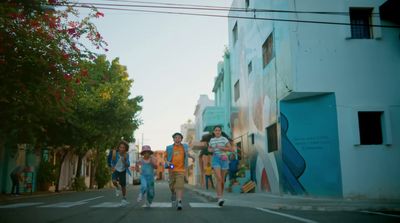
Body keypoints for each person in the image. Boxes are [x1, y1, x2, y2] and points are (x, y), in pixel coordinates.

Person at [165, 132, 194, 210]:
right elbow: (165, 157)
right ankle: (173, 192)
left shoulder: (184, 147)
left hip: (181, 169)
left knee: (180, 185)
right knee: (171, 184)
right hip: (171, 168)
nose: (177, 139)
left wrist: (192, 157)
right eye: (176, 138)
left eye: (179, 138)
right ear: (173, 139)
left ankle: (179, 201)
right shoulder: (169, 148)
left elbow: (187, 153)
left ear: (181, 139)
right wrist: (167, 162)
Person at [208, 126, 233, 206]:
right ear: (214, 132)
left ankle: (221, 196)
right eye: (216, 130)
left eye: (219, 130)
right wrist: (211, 150)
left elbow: (231, 149)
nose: (217, 131)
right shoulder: (212, 140)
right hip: (216, 159)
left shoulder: (224, 139)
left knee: (222, 180)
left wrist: (222, 147)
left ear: (221, 132)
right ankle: (219, 198)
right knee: (219, 178)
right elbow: (209, 149)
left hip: (224, 159)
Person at [107, 140, 131, 206]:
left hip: (122, 171)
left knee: (123, 185)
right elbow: (111, 161)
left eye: (123, 147)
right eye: (120, 147)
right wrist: (112, 167)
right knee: (114, 181)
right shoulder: (115, 154)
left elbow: (128, 165)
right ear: (119, 148)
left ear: (126, 148)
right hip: (116, 170)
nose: (122, 149)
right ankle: (117, 187)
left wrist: (125, 161)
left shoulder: (127, 155)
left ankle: (124, 199)